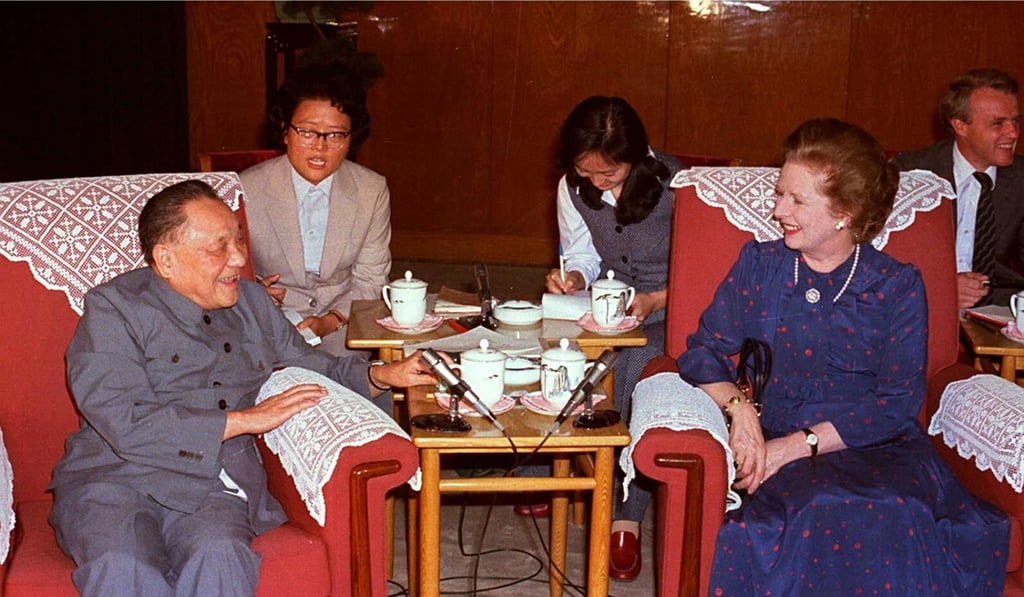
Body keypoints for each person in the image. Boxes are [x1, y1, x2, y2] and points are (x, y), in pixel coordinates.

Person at [47, 180, 434, 596]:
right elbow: (122, 419)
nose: (239, 258)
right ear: (166, 260)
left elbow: (316, 366)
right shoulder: (114, 309)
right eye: (219, 247)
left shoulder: (252, 303)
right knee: (121, 567)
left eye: (239, 240)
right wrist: (244, 420)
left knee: (219, 557)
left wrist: (381, 376)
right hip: (113, 478)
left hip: (212, 480)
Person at [676, 118, 1009, 595]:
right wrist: (740, 409)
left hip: (874, 447)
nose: (777, 210)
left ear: (845, 213)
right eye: (778, 193)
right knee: (797, 516)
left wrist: (791, 449)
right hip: (778, 443)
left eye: (796, 200)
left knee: (891, 510)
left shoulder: (895, 285)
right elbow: (702, 351)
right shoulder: (761, 265)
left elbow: (896, 402)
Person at [539, 95, 681, 581]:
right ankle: (558, 476)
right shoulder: (571, 186)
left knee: (634, 372)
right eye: (586, 173)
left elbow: (710, 272)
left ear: (637, 157)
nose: (595, 184)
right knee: (551, 354)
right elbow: (581, 254)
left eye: (609, 175)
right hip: (608, 303)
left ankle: (625, 514)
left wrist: (657, 300)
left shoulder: (678, 186)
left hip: (675, 307)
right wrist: (573, 279)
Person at [241, 63, 392, 356]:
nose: (320, 147)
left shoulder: (371, 190)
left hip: (343, 323)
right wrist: (254, 291)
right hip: (267, 322)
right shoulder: (247, 189)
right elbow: (224, 272)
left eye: (335, 135)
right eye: (308, 132)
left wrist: (329, 321)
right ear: (285, 131)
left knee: (354, 386)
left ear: (352, 139)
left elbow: (371, 280)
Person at [893, 67, 1024, 308]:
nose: (1013, 133)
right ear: (961, 126)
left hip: (1001, 313)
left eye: (1015, 121)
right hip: (923, 303)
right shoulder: (911, 173)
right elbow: (885, 260)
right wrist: (940, 285)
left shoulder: (1021, 180)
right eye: (998, 123)